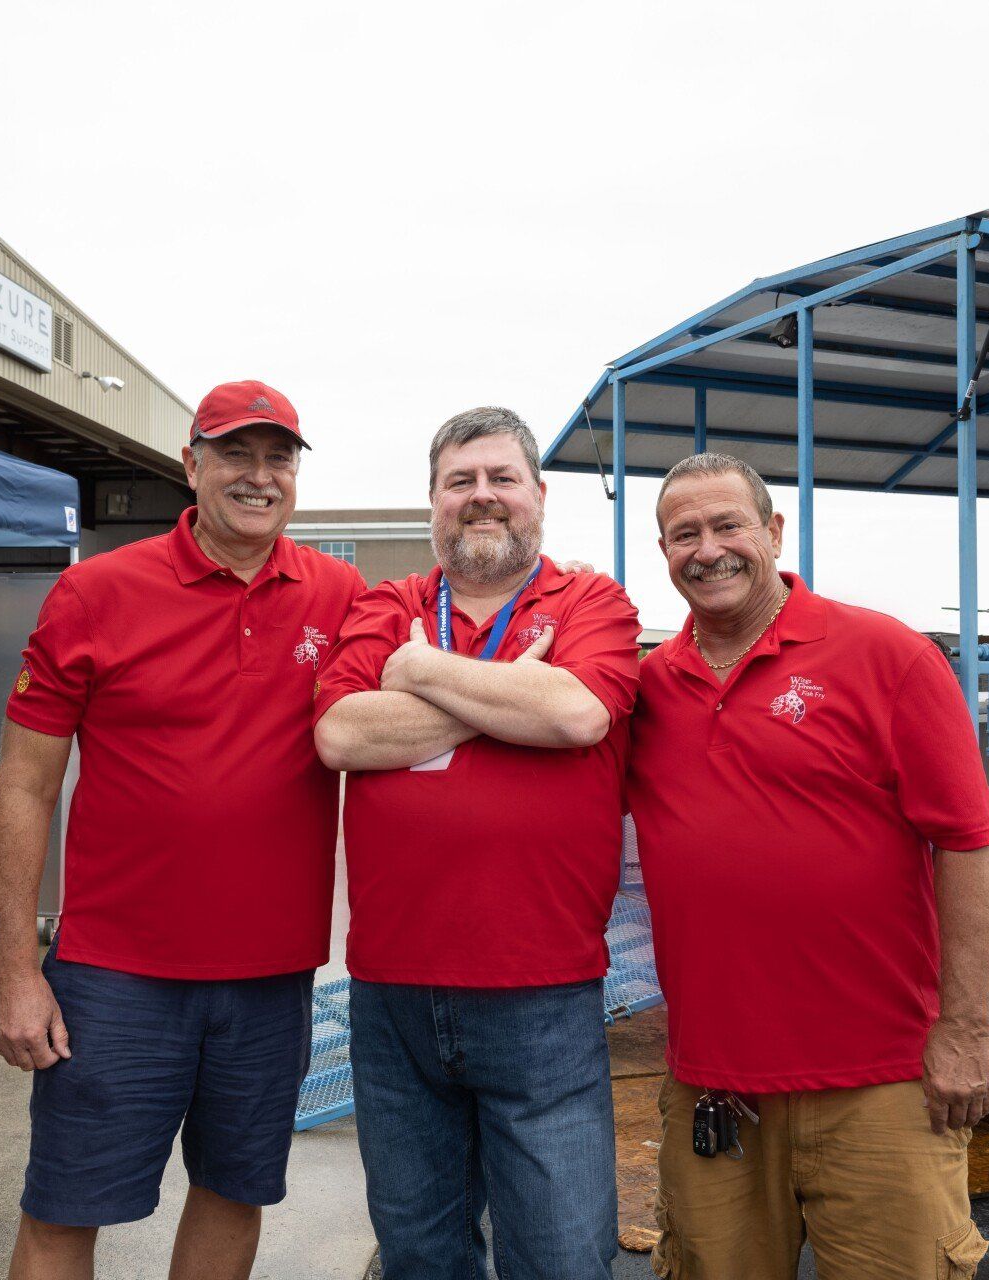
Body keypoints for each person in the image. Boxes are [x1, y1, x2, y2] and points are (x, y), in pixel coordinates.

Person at [0, 380, 365, 1280]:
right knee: (65, 1208)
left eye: (279, 459)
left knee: (236, 1193)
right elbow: (23, 785)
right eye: (236, 453)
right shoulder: (94, 592)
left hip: (273, 978)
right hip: (117, 976)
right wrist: (14, 973)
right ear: (190, 466)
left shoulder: (338, 593)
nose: (258, 476)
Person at [625, 452, 989, 1280]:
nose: (708, 548)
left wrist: (967, 1033)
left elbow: (971, 842)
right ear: (663, 552)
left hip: (883, 1084)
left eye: (728, 525)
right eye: (683, 533)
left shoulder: (886, 655)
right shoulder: (649, 689)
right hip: (713, 1088)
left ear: (772, 531)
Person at [313, 407, 641, 1280]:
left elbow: (575, 715)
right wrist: (508, 699)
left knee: (562, 1257)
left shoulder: (591, 602)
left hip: (541, 993)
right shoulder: (388, 603)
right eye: (461, 481)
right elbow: (342, 736)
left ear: (539, 494)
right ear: (433, 502)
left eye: (502, 479)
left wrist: (420, 671)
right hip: (392, 994)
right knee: (421, 1254)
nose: (482, 497)